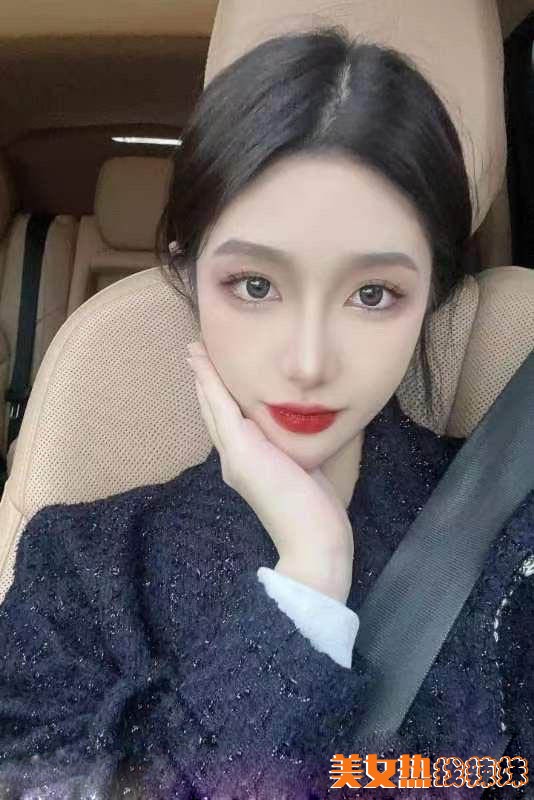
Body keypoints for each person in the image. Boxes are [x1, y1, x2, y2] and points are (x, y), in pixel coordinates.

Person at [0, 25, 533, 800]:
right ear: (188, 275)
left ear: (432, 298)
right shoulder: (77, 566)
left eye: (373, 294)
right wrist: (307, 584)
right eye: (254, 286)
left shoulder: (513, 535)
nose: (309, 362)